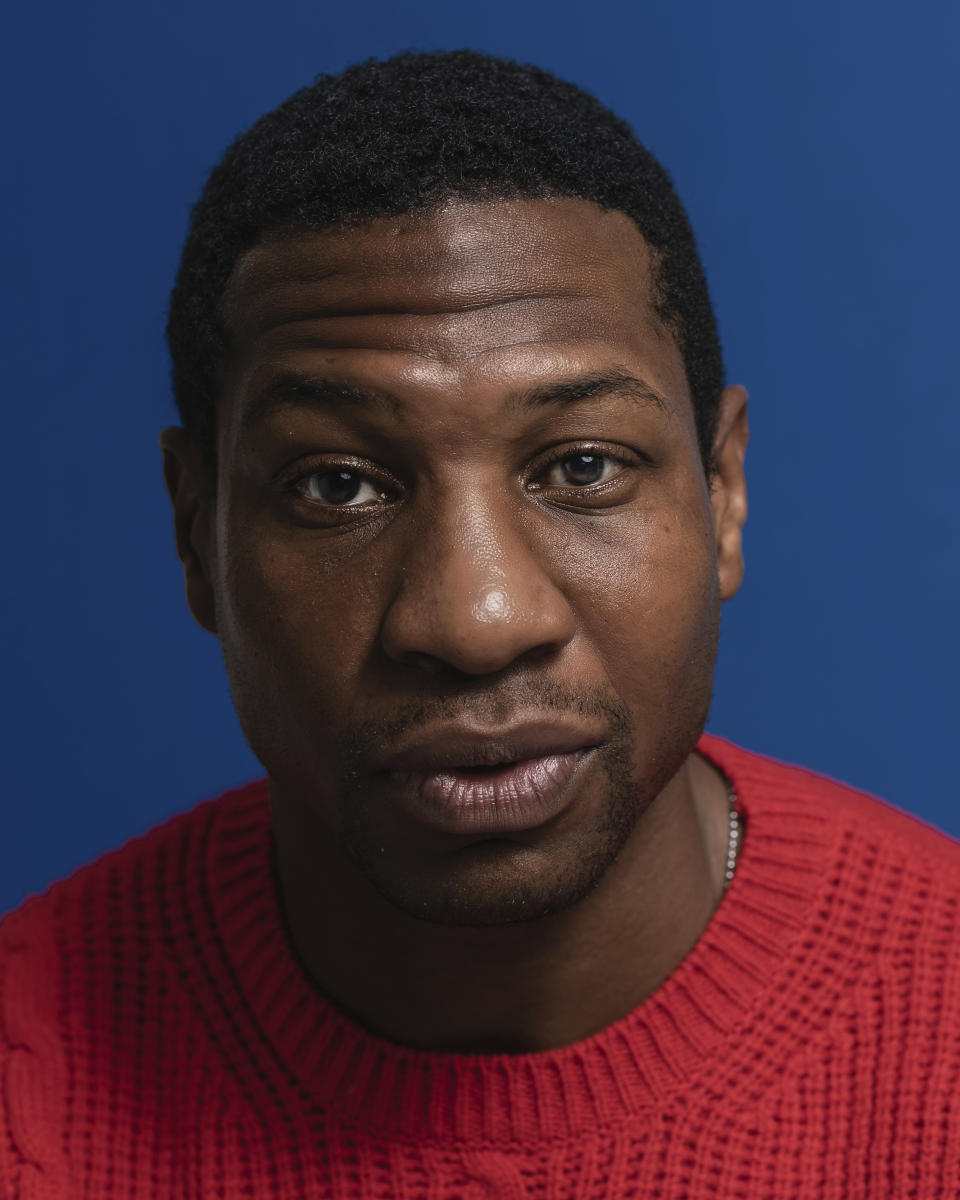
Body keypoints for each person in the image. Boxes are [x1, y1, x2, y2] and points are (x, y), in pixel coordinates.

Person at [1, 49, 958, 1199]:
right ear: (193, 532)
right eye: (338, 485)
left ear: (725, 489)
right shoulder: (29, 1091)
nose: (476, 618)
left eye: (584, 466)